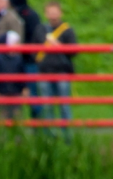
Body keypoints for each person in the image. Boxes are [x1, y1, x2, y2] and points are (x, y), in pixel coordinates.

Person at [37, 1, 77, 137]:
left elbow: (74, 51)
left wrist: (59, 46)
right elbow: (32, 49)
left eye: (55, 11)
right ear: (46, 13)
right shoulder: (40, 29)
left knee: (64, 105)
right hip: (44, 71)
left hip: (62, 71)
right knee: (47, 105)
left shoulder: (67, 30)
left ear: (60, 13)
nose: (53, 15)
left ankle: (68, 136)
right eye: (50, 12)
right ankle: (48, 136)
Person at [11, 0, 45, 119]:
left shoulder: (29, 15)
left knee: (31, 93)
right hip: (20, 60)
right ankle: (35, 126)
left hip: (26, 60)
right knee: (25, 93)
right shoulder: (30, 14)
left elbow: (36, 38)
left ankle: (37, 125)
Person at [0, 30, 28, 121]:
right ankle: (3, 135)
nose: (19, 44)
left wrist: (24, 87)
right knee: (2, 115)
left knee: (17, 115)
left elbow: (22, 74)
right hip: (2, 92)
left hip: (16, 92)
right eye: (16, 42)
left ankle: (17, 134)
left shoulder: (18, 58)